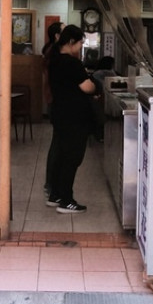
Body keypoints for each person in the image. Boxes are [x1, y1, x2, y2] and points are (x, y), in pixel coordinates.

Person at [47, 24, 97, 214]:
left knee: (61, 155)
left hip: (59, 113)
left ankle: (55, 195)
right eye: (80, 43)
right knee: (72, 158)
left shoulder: (54, 60)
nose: (80, 47)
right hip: (74, 117)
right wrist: (95, 87)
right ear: (70, 42)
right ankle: (66, 201)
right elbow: (87, 87)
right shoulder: (72, 63)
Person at [41, 21, 64, 198]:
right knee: (57, 143)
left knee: (57, 142)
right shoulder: (54, 54)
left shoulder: (50, 51)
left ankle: (51, 182)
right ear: (57, 36)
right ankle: (51, 183)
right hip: (56, 101)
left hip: (53, 100)